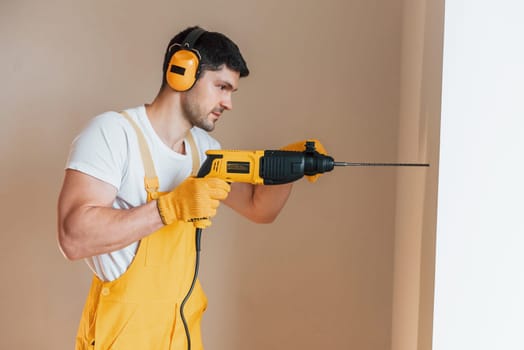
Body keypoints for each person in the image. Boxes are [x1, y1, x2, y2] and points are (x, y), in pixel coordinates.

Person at [58, 26, 324, 350]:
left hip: (181, 336)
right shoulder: (114, 134)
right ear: (182, 71)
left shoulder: (204, 150)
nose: (228, 103)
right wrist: (170, 207)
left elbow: (259, 207)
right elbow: (73, 237)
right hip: (123, 338)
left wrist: (289, 166)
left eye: (232, 91)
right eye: (221, 87)